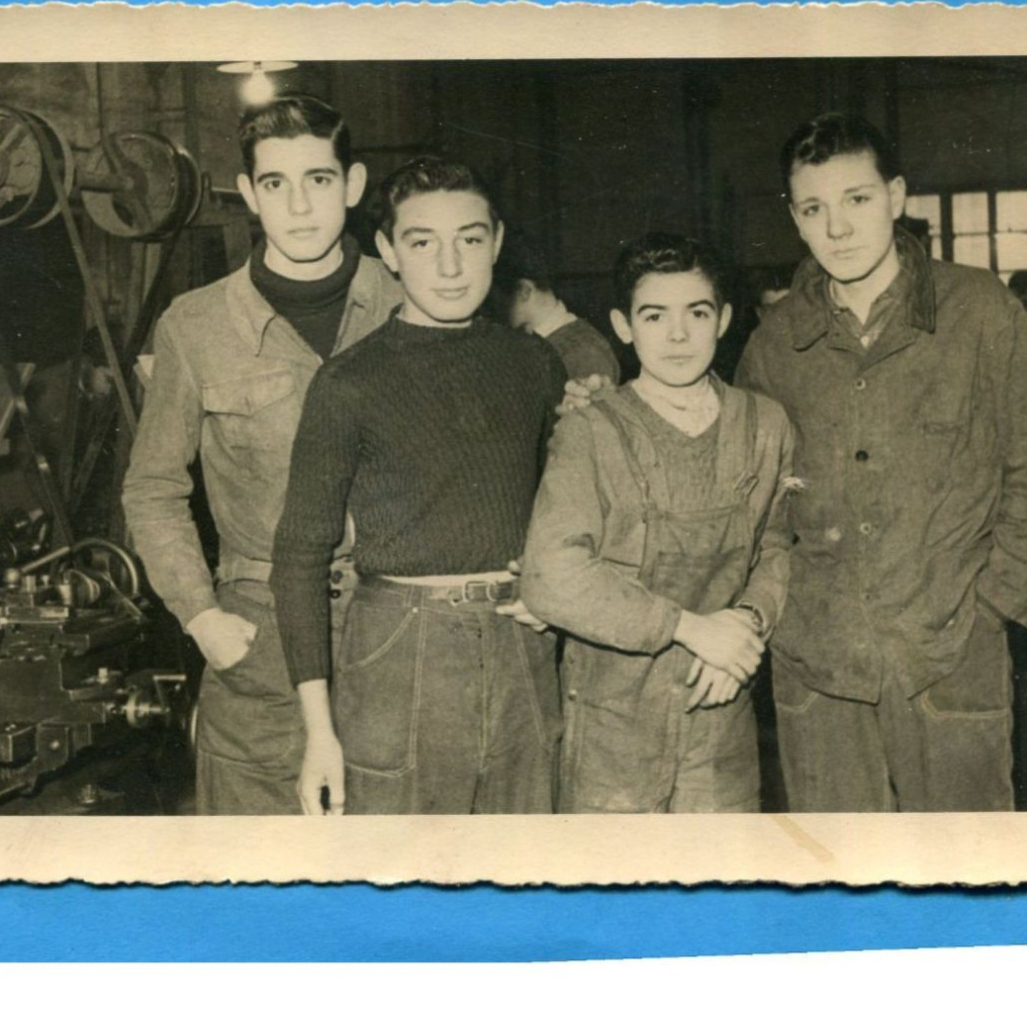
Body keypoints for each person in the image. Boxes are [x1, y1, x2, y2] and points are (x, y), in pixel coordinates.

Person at [735, 113, 1027, 812]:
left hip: (951, 651)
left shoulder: (979, 312)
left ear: (895, 196)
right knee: (842, 880)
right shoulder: (771, 347)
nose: (838, 227)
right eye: (814, 208)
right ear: (793, 219)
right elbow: (747, 501)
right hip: (817, 661)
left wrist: (993, 610)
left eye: (856, 199)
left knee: (967, 873)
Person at [122, 95, 402, 815]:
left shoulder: (409, 304)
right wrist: (202, 617)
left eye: (319, 179)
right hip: (262, 641)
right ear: (248, 194)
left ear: (355, 185)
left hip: (395, 632)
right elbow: (151, 489)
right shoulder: (197, 326)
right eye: (275, 184)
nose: (300, 206)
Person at [271, 156, 568, 816]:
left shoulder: (535, 363)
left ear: (496, 241)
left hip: (522, 644)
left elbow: (574, 511)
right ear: (388, 251)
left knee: (525, 880)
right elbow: (297, 556)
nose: (452, 265)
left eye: (469, 238)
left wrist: (559, 589)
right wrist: (318, 732)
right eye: (422, 242)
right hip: (399, 648)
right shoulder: (350, 382)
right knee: (407, 887)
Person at [521, 233, 796, 813]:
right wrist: (695, 630)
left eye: (696, 313)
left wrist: (745, 631)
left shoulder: (765, 426)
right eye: (654, 315)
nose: (677, 335)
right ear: (623, 326)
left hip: (720, 719)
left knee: (721, 897)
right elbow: (552, 575)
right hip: (612, 731)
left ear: (722, 319)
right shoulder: (590, 432)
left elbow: (776, 545)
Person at [495, 234, 621, 383]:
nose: (492, 310)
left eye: (496, 300)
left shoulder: (583, 355)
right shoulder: (539, 343)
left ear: (523, 291)